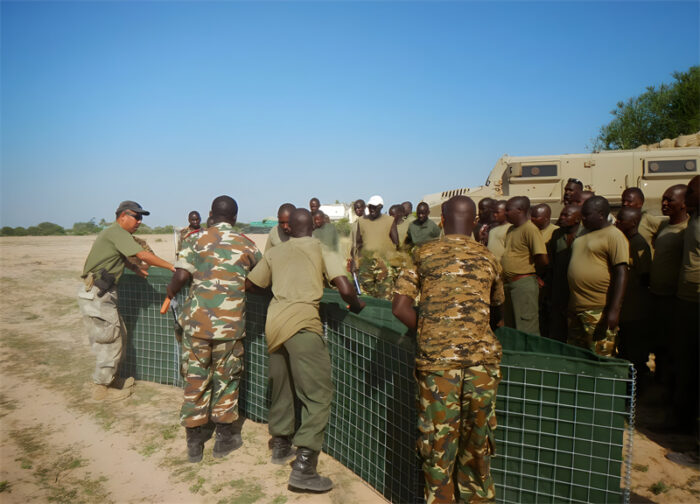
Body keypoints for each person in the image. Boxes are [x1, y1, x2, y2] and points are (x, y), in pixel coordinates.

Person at [392, 195, 504, 504]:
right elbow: (497, 313)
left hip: (438, 368)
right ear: (475, 223)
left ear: (442, 220)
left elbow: (400, 307)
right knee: (478, 446)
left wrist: (433, 330)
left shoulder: (423, 254)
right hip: (482, 367)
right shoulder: (489, 258)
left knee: (438, 447)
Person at [245, 209, 365, 492]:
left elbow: (251, 284)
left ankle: (280, 445)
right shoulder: (321, 247)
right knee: (318, 394)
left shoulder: (276, 252)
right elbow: (345, 288)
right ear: (313, 226)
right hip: (302, 323)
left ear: (288, 229)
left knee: (282, 386)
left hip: (274, 324)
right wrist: (358, 306)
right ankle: (304, 467)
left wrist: (279, 287)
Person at [166, 196, 262, 463]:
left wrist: (170, 289)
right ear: (234, 217)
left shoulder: (194, 240)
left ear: (211, 214)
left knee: (195, 378)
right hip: (230, 327)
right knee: (227, 380)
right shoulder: (247, 244)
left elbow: (182, 276)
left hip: (197, 325)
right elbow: (260, 279)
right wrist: (240, 284)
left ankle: (194, 443)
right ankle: (224, 439)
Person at [78, 200, 175, 401]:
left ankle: (111, 379)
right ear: (123, 216)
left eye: (141, 218)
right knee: (110, 340)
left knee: (118, 334)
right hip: (98, 293)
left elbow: (120, 259)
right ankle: (101, 387)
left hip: (103, 293)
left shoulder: (116, 234)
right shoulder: (117, 232)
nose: (139, 221)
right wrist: (172, 267)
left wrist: (137, 270)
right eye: (136, 217)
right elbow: (141, 254)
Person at [567, 196, 628, 357]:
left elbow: (621, 272)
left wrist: (614, 311)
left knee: (602, 358)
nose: (583, 218)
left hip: (598, 310)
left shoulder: (613, 235)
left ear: (601, 214)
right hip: (577, 308)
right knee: (578, 356)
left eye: (587, 215)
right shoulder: (582, 234)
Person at [648, 184, 689, 391]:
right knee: (659, 345)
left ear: (684, 204)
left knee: (674, 348)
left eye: (670, 200)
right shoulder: (664, 227)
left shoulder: (686, 231)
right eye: (663, 199)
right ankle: (659, 386)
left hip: (674, 299)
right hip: (657, 297)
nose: (664, 203)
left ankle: (670, 391)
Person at [673, 175, 699, 433]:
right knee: (686, 364)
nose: (688, 196)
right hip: (687, 301)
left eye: (692, 191)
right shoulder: (694, 221)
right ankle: (682, 423)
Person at [501, 196, 548, 335]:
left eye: (508, 210)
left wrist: (533, 276)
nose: (505, 213)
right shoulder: (511, 230)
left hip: (523, 284)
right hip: (509, 285)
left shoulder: (530, 229)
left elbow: (543, 259)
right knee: (512, 327)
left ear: (520, 210)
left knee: (527, 328)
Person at [614, 207, 652, 380]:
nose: (617, 222)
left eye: (621, 220)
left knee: (635, 351)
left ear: (633, 223)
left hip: (634, 308)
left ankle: (638, 387)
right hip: (624, 308)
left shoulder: (638, 244)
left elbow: (645, 276)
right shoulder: (621, 241)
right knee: (623, 349)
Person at [546, 205, 583, 341]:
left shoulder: (585, 234)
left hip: (577, 290)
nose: (561, 218)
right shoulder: (557, 235)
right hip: (559, 288)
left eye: (566, 215)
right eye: (562, 214)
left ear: (578, 219)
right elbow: (552, 263)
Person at [356, 195, 399, 299]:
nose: (372, 209)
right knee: (366, 296)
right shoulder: (361, 221)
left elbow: (396, 242)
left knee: (384, 297)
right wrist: (356, 261)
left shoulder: (389, 220)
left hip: (384, 265)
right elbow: (358, 243)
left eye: (374, 207)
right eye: (370, 206)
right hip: (366, 265)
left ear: (381, 207)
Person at [621, 187, 667, 256]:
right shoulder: (621, 221)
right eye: (623, 201)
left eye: (629, 201)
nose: (624, 204)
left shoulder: (648, 220)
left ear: (640, 203)